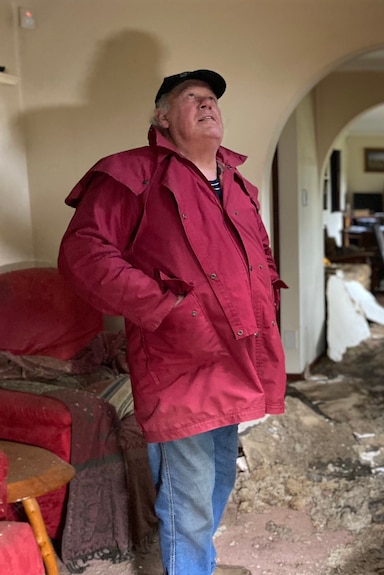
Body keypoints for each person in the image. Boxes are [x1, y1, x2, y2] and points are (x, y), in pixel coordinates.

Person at [58, 69, 287, 575]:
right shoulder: (129, 173)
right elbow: (84, 253)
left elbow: (260, 257)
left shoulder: (238, 184)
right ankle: (191, 564)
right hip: (177, 360)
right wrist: (167, 310)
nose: (207, 105)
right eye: (191, 99)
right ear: (162, 117)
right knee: (188, 498)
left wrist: (266, 311)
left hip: (236, 356)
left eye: (212, 100)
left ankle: (195, 562)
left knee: (221, 475)